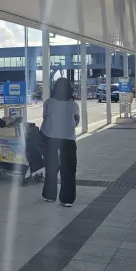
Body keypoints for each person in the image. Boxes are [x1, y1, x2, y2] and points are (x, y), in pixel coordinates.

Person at [41, 77, 80, 207]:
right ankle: (67, 199)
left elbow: (45, 117)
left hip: (50, 137)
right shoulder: (74, 105)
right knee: (69, 169)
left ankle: (49, 195)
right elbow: (76, 122)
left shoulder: (48, 103)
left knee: (51, 166)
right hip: (68, 139)